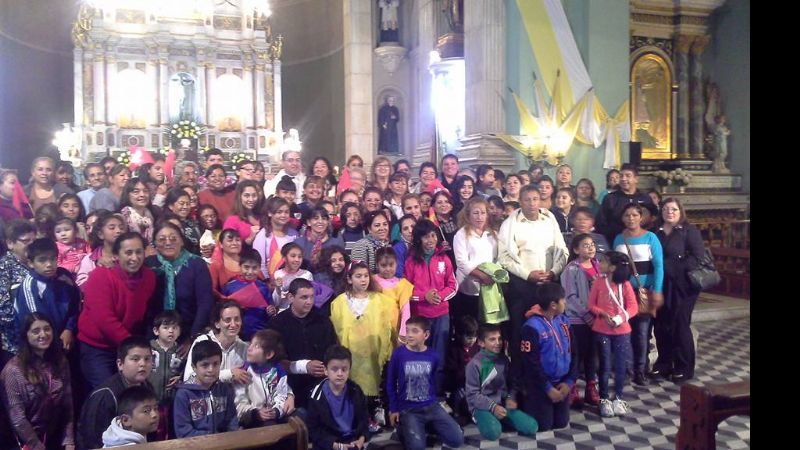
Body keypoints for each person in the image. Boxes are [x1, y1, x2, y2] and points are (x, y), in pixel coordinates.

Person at [497, 185, 568, 381]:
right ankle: (519, 381)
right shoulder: (510, 224)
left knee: (550, 330)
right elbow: (504, 257)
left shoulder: (549, 219)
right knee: (521, 333)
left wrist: (553, 272)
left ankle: (549, 376)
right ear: (520, 201)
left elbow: (562, 250)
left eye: (535, 199)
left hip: (549, 283)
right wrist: (528, 275)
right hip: (522, 286)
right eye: (527, 199)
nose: (531, 203)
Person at [78, 233, 155, 390]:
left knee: (131, 393)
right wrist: (131, 346)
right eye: (128, 253)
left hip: (127, 345)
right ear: (116, 255)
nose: (134, 258)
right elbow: (103, 318)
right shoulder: (101, 276)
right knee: (106, 392)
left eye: (139, 252)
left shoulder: (149, 277)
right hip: (98, 347)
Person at [386, 316, 464, 450]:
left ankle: (427, 426)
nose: (409, 335)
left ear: (426, 335)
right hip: (409, 409)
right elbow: (390, 382)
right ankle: (404, 429)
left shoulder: (433, 355)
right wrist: (394, 408)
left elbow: (432, 380)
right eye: (407, 330)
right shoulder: (399, 354)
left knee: (457, 439)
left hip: (431, 406)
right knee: (417, 447)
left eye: (415, 331)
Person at [1, 313, 75, 450]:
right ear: (26, 335)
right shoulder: (13, 370)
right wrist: (37, 446)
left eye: (47, 329)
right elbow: (18, 418)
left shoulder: (61, 361)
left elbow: (68, 404)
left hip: (55, 435)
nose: (43, 334)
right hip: (25, 441)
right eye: (36, 331)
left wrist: (69, 440)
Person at [329, 261, 398, 407]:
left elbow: (390, 329)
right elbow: (336, 330)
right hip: (350, 355)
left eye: (366, 276)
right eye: (358, 276)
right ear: (349, 279)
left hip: (374, 355)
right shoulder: (339, 302)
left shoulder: (382, 301)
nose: (363, 280)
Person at [652, 198, 705, 383]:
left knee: (680, 325)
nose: (670, 212)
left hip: (683, 286)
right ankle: (664, 363)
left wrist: (670, 267)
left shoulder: (689, 231)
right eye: (666, 209)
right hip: (661, 284)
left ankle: (684, 367)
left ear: (680, 211)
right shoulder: (655, 231)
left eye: (674, 209)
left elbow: (697, 257)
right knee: (661, 325)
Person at [403, 219, 457, 398]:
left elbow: (452, 285)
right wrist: (423, 296)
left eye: (433, 235)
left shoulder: (444, 259)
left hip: (442, 315)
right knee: (419, 355)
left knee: (439, 356)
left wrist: (439, 296)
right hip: (420, 317)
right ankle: (418, 394)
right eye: (426, 237)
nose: (431, 240)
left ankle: (437, 395)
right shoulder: (411, 261)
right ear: (418, 239)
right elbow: (406, 289)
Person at [268, 278, 339, 412]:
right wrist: (305, 367)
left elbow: (333, 351)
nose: (309, 301)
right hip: (290, 387)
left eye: (312, 297)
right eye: (304, 297)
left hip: (321, 385)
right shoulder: (277, 324)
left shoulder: (323, 321)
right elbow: (274, 363)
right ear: (291, 297)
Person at [612, 203, 664, 386]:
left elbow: (658, 266)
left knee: (642, 333)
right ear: (622, 218)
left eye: (635, 215)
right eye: (627, 215)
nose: (631, 218)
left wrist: (657, 290)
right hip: (622, 294)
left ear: (641, 217)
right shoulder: (619, 239)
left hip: (643, 293)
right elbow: (614, 266)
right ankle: (627, 369)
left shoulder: (651, 238)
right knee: (624, 331)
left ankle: (640, 370)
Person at [77, 336, 155, 450]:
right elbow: (92, 439)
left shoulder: (148, 387)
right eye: (135, 359)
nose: (143, 364)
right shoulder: (105, 395)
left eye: (147, 359)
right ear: (120, 364)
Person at [466, 323, 538, 440]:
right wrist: (493, 407)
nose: (498, 343)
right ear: (481, 343)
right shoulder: (474, 364)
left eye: (499, 338)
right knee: (493, 433)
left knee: (531, 427)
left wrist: (510, 397)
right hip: (481, 406)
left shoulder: (504, 360)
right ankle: (481, 418)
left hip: (502, 403)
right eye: (492, 339)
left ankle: (500, 419)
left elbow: (511, 384)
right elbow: (472, 395)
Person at [587, 251, 638, 418]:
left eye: (603, 261)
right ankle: (604, 399)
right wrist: (602, 313)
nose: (600, 263)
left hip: (622, 331)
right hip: (602, 330)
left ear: (613, 267)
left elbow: (633, 307)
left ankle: (618, 398)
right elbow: (591, 305)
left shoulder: (625, 285)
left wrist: (620, 318)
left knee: (621, 365)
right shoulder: (599, 282)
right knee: (604, 365)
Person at [145, 222, 213, 341]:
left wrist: (193, 337)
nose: (168, 243)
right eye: (162, 239)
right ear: (155, 243)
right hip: (154, 333)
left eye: (173, 238)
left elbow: (205, 303)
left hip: (188, 332)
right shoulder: (149, 264)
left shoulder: (196, 264)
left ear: (182, 241)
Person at [520, 282, 572, 432]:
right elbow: (531, 363)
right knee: (544, 425)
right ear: (553, 305)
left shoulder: (564, 322)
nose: (565, 302)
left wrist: (569, 382)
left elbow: (574, 352)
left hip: (561, 381)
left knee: (561, 423)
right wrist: (547, 388)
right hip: (541, 384)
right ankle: (522, 404)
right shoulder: (532, 327)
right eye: (563, 300)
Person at [14, 238, 80, 353]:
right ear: (31, 263)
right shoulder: (29, 287)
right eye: (42, 260)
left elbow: (76, 303)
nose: (49, 264)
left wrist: (69, 329)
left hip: (67, 336)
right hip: (41, 345)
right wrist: (56, 343)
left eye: (53, 259)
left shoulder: (64, 276)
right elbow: (36, 324)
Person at [560, 233, 601, 407]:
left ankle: (591, 388)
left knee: (593, 355)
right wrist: (586, 315)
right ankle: (573, 388)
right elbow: (570, 297)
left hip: (597, 319)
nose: (590, 248)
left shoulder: (598, 265)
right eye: (585, 245)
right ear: (576, 250)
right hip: (578, 320)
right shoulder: (571, 269)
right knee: (576, 355)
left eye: (592, 244)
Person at [306, 345, 369, 450]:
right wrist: (335, 445)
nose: (340, 374)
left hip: (352, 442)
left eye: (344, 369)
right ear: (326, 370)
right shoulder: (316, 395)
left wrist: (361, 439)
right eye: (334, 369)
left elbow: (364, 419)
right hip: (329, 444)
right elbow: (314, 429)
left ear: (349, 370)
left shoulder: (356, 391)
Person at [173, 340, 239, 437]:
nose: (211, 370)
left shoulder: (225, 389)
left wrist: (231, 437)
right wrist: (212, 440)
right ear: (194, 367)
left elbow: (232, 420)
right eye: (205, 365)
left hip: (224, 441)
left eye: (215, 364)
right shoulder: (184, 394)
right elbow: (183, 430)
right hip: (197, 443)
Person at [182, 301, 249, 386]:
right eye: (227, 320)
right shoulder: (202, 341)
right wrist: (229, 374)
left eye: (237, 319)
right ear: (217, 324)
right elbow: (189, 378)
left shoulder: (245, 348)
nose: (233, 324)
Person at [453, 197, 497, 324]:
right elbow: (462, 262)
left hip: (489, 288)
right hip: (468, 288)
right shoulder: (461, 235)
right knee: (470, 324)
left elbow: (496, 258)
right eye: (475, 213)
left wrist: (493, 275)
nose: (480, 217)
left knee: (487, 325)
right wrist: (482, 276)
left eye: (483, 213)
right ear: (468, 215)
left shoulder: (492, 234)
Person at [234, 329, 291, 428]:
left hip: (273, 416)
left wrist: (277, 411)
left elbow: (281, 395)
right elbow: (240, 401)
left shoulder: (278, 371)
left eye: (256, 346)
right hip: (252, 417)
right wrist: (256, 413)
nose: (249, 348)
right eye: (251, 344)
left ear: (269, 354)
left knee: (300, 414)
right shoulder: (244, 371)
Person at [0, 220, 35, 361]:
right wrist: (28, 325)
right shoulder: (4, 267)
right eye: (26, 241)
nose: (32, 245)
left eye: (34, 240)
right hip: (15, 344)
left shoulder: (36, 263)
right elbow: (3, 308)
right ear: (10, 243)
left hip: (40, 339)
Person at [222, 248, 274, 340]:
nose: (250, 272)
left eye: (254, 268)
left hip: (259, 335)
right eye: (246, 267)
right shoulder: (229, 287)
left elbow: (270, 310)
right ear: (240, 266)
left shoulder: (263, 287)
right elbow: (222, 311)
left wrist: (271, 311)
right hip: (235, 335)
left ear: (259, 268)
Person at [596, 164, 654, 244]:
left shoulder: (645, 198)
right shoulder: (610, 198)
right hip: (615, 242)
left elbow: (653, 219)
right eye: (621, 176)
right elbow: (601, 223)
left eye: (628, 176)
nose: (623, 179)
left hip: (642, 243)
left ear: (636, 179)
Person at [147, 310, 182, 440]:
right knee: (154, 431)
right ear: (156, 331)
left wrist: (181, 377)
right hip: (152, 399)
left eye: (175, 327)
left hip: (173, 401)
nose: (171, 331)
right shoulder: (148, 349)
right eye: (166, 327)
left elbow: (188, 371)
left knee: (172, 429)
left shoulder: (182, 351)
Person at [253, 197, 299, 279]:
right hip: (269, 281)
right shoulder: (263, 235)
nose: (283, 215)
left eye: (286, 212)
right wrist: (268, 281)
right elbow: (260, 263)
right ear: (270, 213)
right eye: (279, 212)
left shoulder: (293, 234)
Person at [374, 247, 413, 343]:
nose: (388, 269)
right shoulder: (371, 281)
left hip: (394, 329)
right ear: (377, 265)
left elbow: (405, 311)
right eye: (383, 265)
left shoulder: (403, 284)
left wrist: (403, 333)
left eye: (391, 265)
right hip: (374, 328)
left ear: (397, 263)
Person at [445, 316, 479, 421]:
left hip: (475, 385)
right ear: (459, 335)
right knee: (459, 395)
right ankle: (456, 413)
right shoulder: (454, 349)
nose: (472, 340)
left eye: (474, 337)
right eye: (468, 337)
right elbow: (451, 371)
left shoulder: (477, 348)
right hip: (459, 384)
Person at [294, 206, 345, 271]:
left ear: (328, 222)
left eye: (324, 218)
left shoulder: (336, 242)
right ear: (308, 222)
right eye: (316, 218)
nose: (320, 221)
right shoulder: (299, 243)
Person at [272, 242, 313, 312]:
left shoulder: (307, 275)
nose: (297, 260)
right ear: (284, 258)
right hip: (282, 312)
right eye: (293, 256)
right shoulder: (278, 274)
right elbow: (275, 303)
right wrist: (277, 288)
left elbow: (310, 299)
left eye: (300, 257)